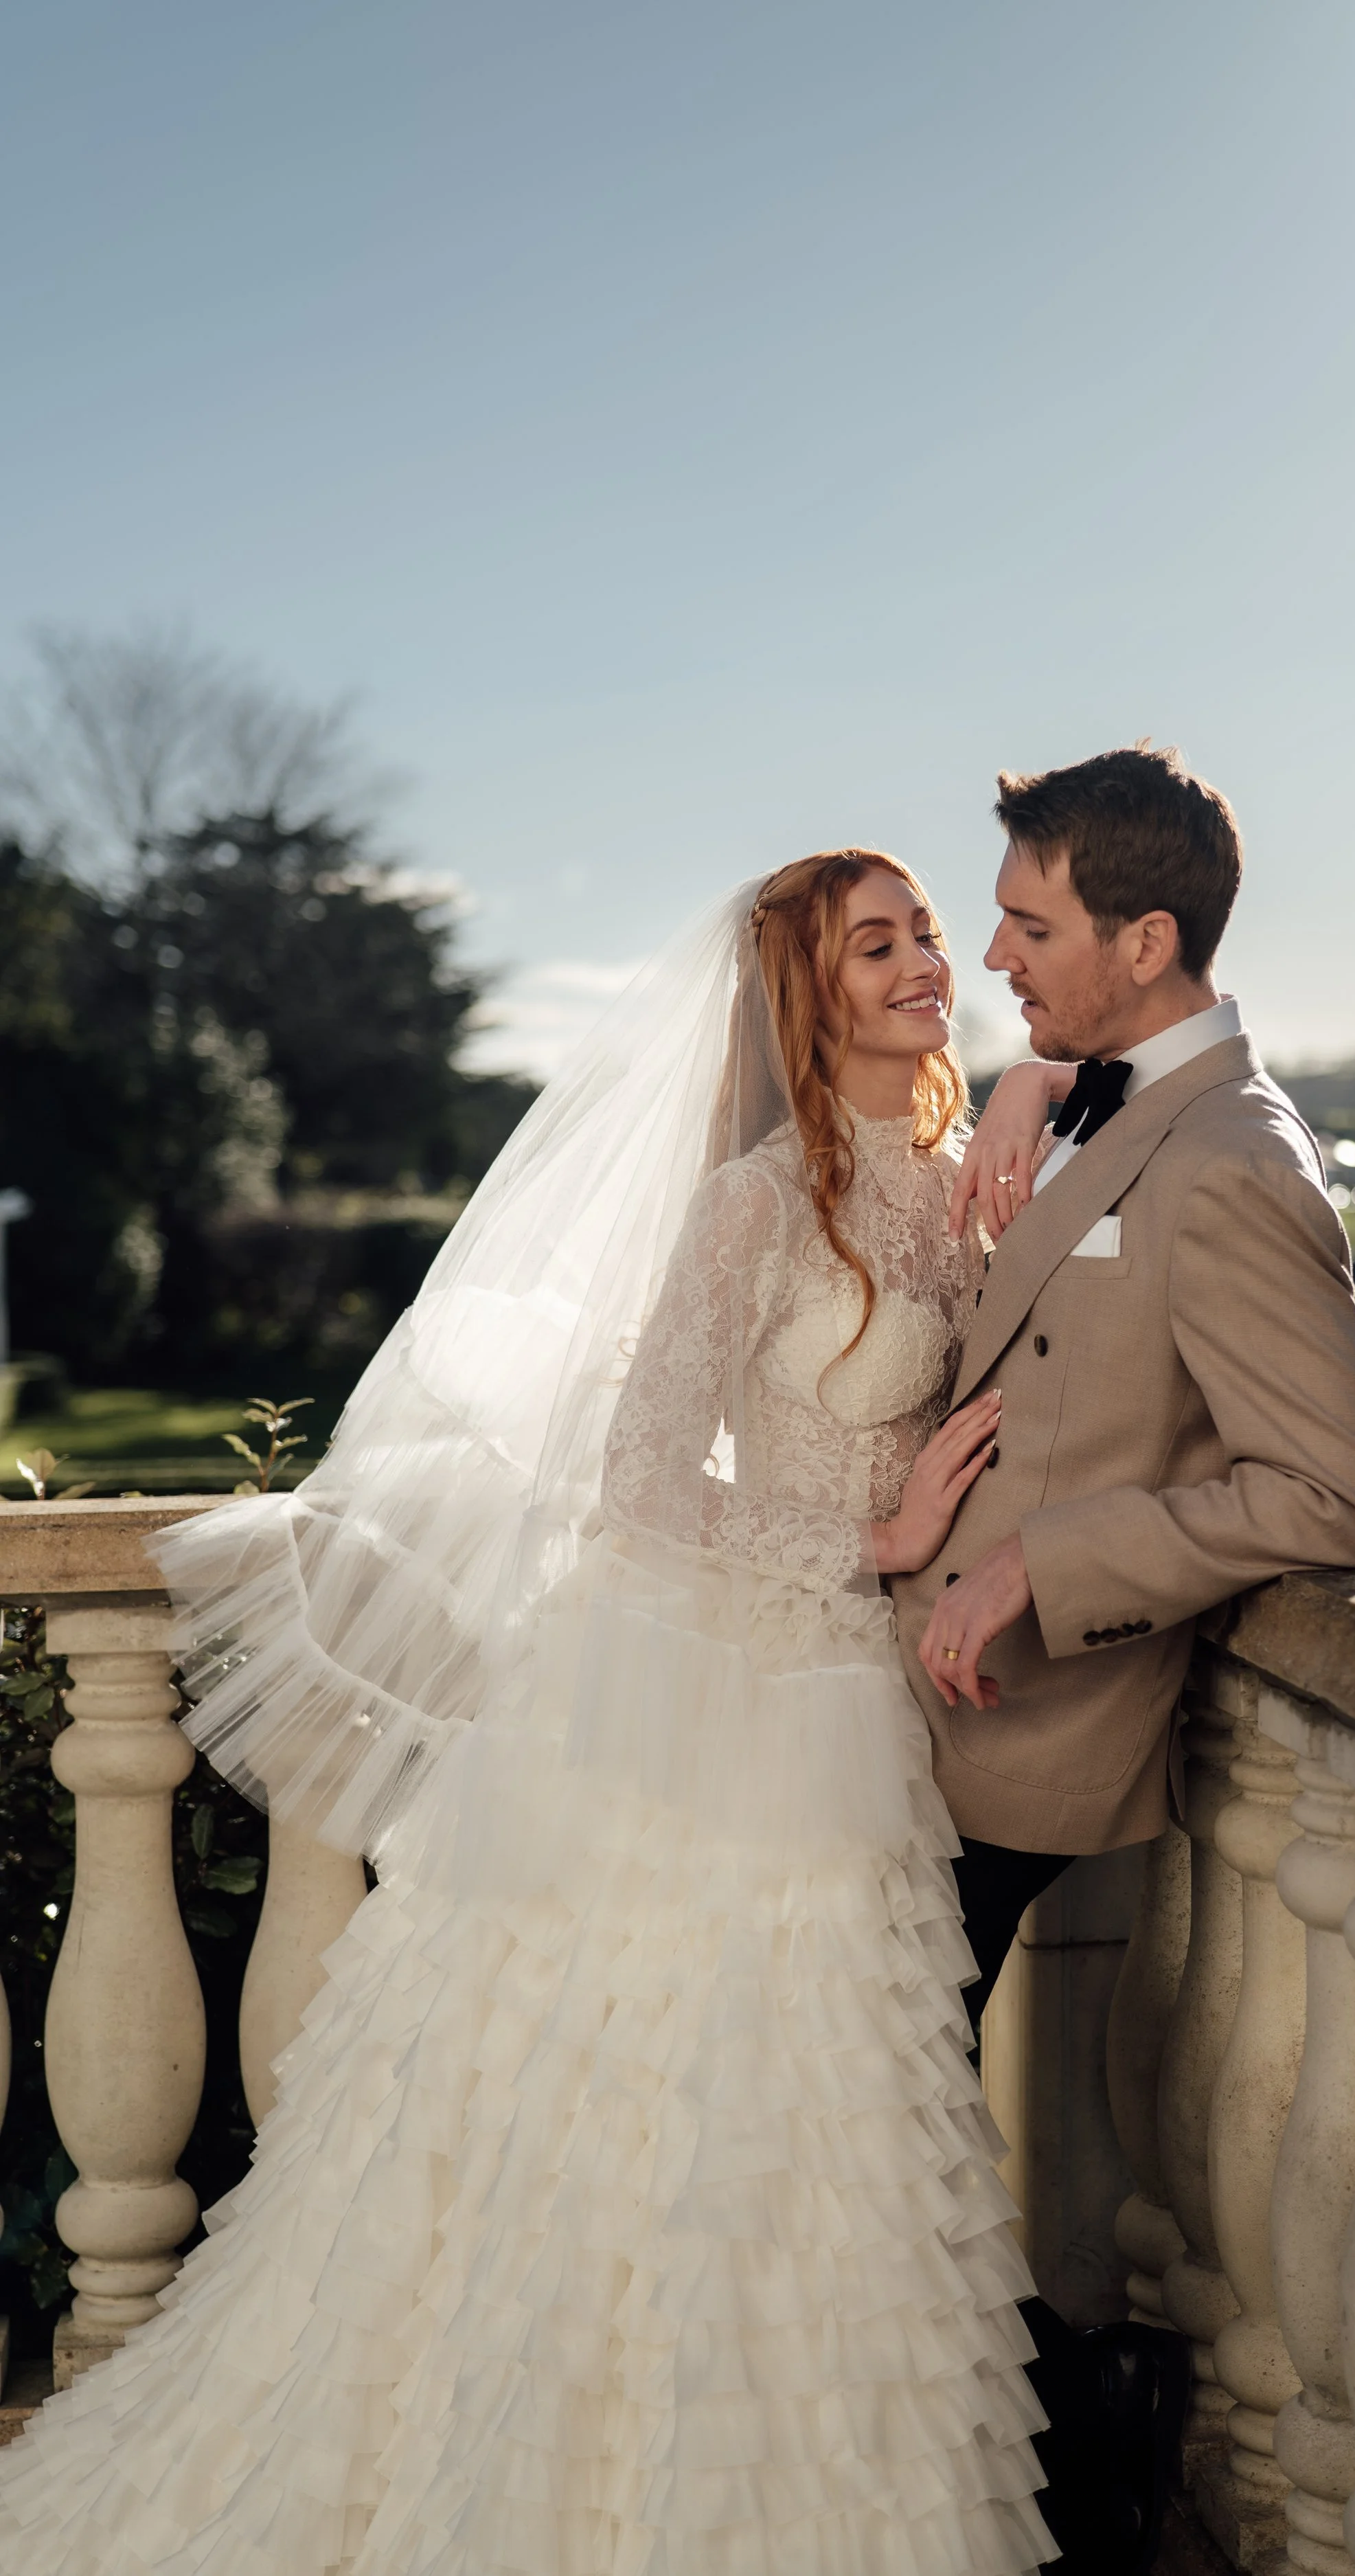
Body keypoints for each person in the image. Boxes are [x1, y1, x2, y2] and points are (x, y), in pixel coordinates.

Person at [0, 852, 1056, 2575]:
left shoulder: (961, 1189)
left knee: (831, 2137)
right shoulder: (754, 1205)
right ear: (808, 991)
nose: (928, 959)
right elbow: (637, 1482)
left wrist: (1031, 1086)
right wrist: (872, 1534)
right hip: (714, 1684)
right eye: (879, 942)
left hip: (861, 1703)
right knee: (638, 2100)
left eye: (930, 929)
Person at [897, 738, 1355, 2083]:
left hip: (1014, 1725)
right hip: (899, 1699)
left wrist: (1038, 1562)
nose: (990, 956)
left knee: (870, 2120)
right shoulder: (1111, 1096)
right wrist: (1034, 1080)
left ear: (1146, 942)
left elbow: (1335, 1495)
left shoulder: (1235, 1158)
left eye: (1030, 924)